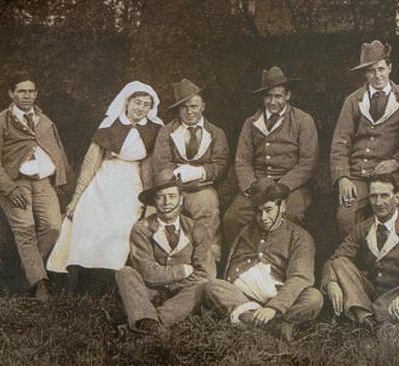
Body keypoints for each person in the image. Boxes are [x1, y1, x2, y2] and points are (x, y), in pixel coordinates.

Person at [46, 81, 163, 278]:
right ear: (126, 102)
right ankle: (79, 271)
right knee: (86, 214)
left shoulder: (155, 128)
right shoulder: (110, 124)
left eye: (146, 104)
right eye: (137, 102)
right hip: (106, 175)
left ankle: (108, 274)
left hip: (133, 179)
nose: (141, 108)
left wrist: (150, 198)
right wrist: (76, 198)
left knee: (122, 222)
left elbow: (151, 166)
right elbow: (91, 162)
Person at [0, 70, 71, 301]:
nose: (27, 96)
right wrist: (9, 188)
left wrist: (61, 179)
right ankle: (40, 282)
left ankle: (25, 269)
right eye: (21, 91)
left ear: (37, 93)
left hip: (42, 182)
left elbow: (57, 151)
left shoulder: (45, 121)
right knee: (25, 228)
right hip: (14, 183)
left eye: (31, 91)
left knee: (54, 226)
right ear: (11, 93)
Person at [206, 183, 323, 342]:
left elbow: (300, 277)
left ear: (282, 207)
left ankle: (250, 321)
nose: (263, 218)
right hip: (245, 295)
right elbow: (232, 268)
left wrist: (273, 306)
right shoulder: (246, 231)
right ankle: (274, 327)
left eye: (268, 210)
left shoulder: (300, 237)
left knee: (314, 298)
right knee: (213, 286)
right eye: (258, 212)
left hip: (279, 292)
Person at [321, 174, 399, 331]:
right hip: (376, 294)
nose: (378, 202)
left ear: (397, 198)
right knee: (339, 264)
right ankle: (368, 320)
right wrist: (331, 282)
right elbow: (336, 258)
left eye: (385, 196)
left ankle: (372, 321)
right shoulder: (363, 228)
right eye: (373, 196)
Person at [223, 66, 319, 246]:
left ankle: (281, 262)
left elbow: (308, 162)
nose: (272, 101)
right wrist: (252, 186)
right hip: (257, 185)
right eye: (268, 96)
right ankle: (241, 262)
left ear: (288, 96)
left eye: (278, 96)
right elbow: (242, 160)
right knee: (233, 218)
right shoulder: (251, 123)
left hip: (290, 186)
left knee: (291, 214)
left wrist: (283, 186)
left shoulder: (303, 120)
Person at [331, 40, 399, 238]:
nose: (376, 76)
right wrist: (342, 177)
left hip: (391, 175)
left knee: (392, 219)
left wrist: (397, 161)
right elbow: (340, 142)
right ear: (365, 74)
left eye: (381, 69)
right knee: (346, 216)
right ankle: (353, 266)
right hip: (358, 173)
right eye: (370, 71)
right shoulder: (353, 100)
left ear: (390, 68)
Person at [116, 170, 215, 332]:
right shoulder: (141, 228)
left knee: (202, 286)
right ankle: (151, 321)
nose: (166, 202)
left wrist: (177, 285)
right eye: (160, 197)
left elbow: (206, 273)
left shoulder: (196, 228)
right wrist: (183, 270)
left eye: (172, 196)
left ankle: (151, 321)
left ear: (181, 199)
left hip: (184, 293)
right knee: (125, 273)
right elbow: (147, 273)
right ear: (154, 201)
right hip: (150, 291)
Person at [151, 79, 229, 263]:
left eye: (194, 106)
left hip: (201, 188)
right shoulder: (167, 132)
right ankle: (167, 264)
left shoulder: (216, 133)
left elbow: (221, 165)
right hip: (171, 186)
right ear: (178, 109)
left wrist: (199, 172)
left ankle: (207, 262)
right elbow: (161, 164)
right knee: (162, 208)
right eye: (184, 107)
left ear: (203, 106)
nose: (190, 111)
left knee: (207, 204)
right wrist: (179, 174)